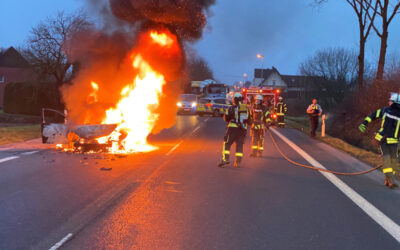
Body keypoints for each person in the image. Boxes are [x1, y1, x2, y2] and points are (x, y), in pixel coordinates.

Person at [359, 93, 400, 188]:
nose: (388, 102)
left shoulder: (385, 110)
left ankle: (388, 179)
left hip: (394, 142)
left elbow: (373, 115)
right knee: (387, 160)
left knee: (393, 162)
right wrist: (364, 123)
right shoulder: (386, 110)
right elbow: (373, 115)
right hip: (383, 140)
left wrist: (365, 123)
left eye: (390, 101)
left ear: (394, 102)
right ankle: (391, 180)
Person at [218, 92, 250, 168]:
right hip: (242, 130)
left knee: (227, 143)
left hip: (232, 129)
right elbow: (249, 120)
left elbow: (226, 118)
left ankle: (226, 159)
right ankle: (238, 162)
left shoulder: (231, 108)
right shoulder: (246, 109)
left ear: (234, 100)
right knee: (239, 145)